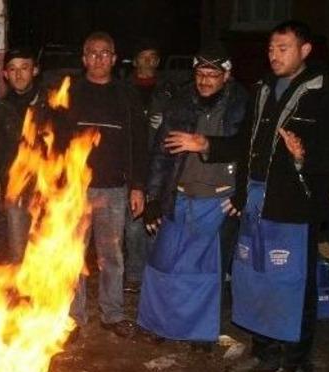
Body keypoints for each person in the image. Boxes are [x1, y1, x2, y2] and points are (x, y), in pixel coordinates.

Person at [174, 21, 329, 372]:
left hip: (294, 206)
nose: (274, 55)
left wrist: (306, 156)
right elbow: (243, 144)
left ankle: (299, 365)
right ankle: (264, 352)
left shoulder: (324, 96)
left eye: (283, 48)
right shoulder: (262, 90)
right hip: (255, 201)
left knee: (293, 285)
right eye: (271, 48)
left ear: (304, 51)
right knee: (253, 278)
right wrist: (208, 144)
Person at [137, 44, 248, 346]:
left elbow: (248, 150)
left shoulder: (242, 104)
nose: (206, 80)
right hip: (180, 195)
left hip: (218, 200)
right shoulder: (181, 104)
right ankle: (161, 324)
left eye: (213, 74)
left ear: (227, 75)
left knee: (205, 270)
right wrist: (153, 199)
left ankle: (200, 332)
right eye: (201, 73)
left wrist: (242, 195)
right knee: (164, 261)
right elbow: (161, 154)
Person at [67, 31, 148, 337]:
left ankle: (112, 314)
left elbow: (140, 143)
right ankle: (73, 316)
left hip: (114, 189)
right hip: (74, 191)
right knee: (72, 255)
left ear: (114, 59)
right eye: (92, 53)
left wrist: (138, 186)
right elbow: (53, 141)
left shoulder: (127, 95)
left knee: (111, 255)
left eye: (105, 54)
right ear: (84, 57)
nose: (99, 59)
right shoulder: (70, 92)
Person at [0, 47, 41, 262]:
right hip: (15, 190)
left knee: (49, 251)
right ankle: (24, 295)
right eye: (13, 69)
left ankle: (48, 296)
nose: (19, 74)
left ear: (34, 70)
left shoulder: (50, 103)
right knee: (19, 253)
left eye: (24, 68)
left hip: (49, 190)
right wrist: (18, 157)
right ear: (5, 74)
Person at [123, 39, 162, 291]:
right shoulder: (123, 90)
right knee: (134, 223)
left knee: (155, 220)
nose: (148, 62)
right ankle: (135, 276)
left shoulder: (168, 90)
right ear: (135, 61)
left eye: (153, 57)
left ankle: (155, 274)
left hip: (159, 163)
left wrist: (164, 124)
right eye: (143, 57)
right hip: (130, 162)